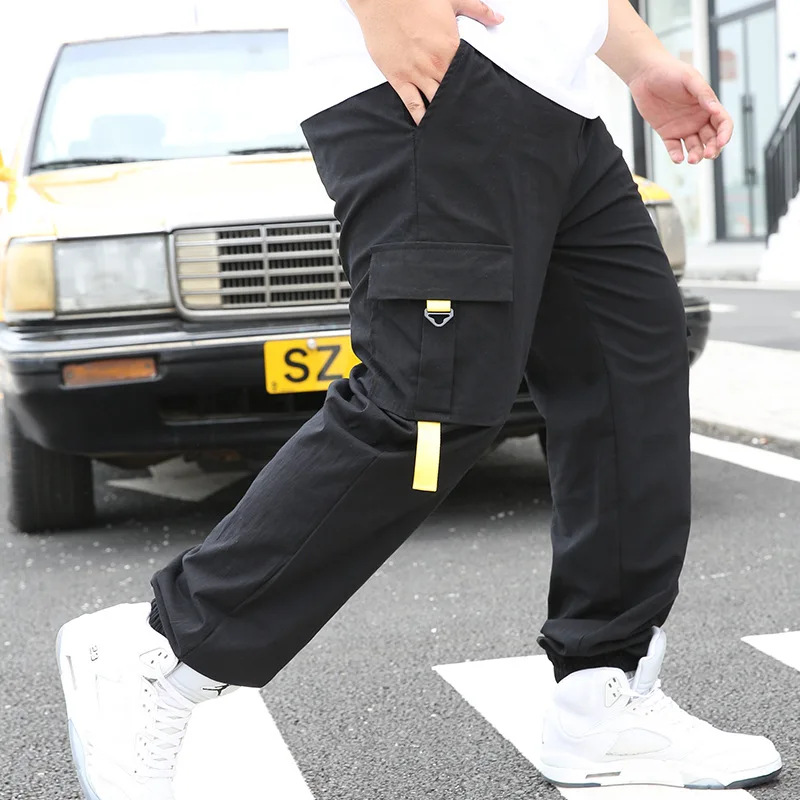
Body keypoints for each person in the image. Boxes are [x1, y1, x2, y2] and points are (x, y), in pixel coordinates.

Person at [56, 1, 782, 797]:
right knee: (429, 404)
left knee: (628, 370)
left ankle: (602, 693)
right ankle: (164, 653)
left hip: (561, 99)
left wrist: (641, 59)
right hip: (443, 76)